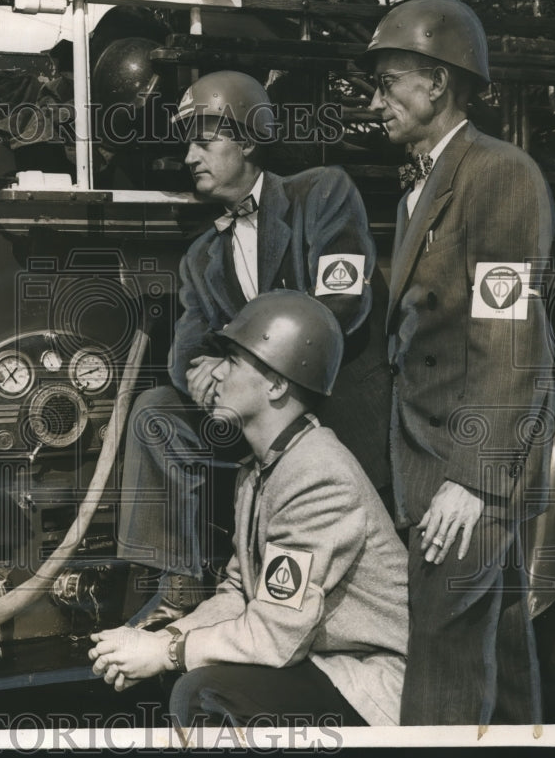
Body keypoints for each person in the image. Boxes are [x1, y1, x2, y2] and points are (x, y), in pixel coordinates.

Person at [115, 70, 390, 629]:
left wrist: (248, 367)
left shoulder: (322, 192)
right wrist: (205, 371)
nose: (190, 156)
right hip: (255, 420)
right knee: (155, 413)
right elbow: (187, 348)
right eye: (186, 142)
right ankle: (180, 585)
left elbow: (342, 306)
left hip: (333, 410)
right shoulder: (200, 255)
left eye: (205, 139)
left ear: (249, 140)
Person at [359, 0, 555, 725]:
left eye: (389, 83)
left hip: (468, 474)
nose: (377, 102)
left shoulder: (499, 175)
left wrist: (470, 482)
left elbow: (510, 344)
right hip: (433, 467)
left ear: (438, 83)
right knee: (497, 673)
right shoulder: (423, 185)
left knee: (439, 675)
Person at [90, 291, 408, 727]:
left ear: (277, 384)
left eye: (234, 362)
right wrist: (164, 638)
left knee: (204, 692)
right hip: (314, 655)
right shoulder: (265, 468)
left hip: (365, 677)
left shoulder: (317, 475)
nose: (215, 373)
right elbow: (240, 594)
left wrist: (164, 654)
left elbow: (274, 634)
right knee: (183, 675)